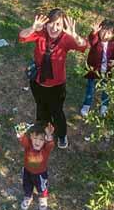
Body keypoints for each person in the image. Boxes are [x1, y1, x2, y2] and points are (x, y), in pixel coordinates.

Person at [18, 8, 88, 149]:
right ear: (46, 23)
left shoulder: (66, 38)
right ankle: (43, 133)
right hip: (37, 82)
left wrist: (75, 35)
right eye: (51, 23)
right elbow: (22, 36)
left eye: (58, 25)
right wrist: (32, 28)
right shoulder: (40, 33)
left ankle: (61, 135)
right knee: (41, 109)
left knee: (57, 112)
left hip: (57, 86)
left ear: (63, 27)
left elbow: (83, 45)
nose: (54, 28)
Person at [80, 19, 114, 118]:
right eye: (103, 31)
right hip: (93, 70)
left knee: (106, 89)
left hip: (106, 71)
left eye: (109, 33)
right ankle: (86, 105)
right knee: (90, 88)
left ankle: (104, 106)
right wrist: (93, 32)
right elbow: (91, 40)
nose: (105, 35)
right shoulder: (96, 40)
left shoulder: (113, 44)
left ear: (113, 35)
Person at [17, 121, 55, 210]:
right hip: (27, 171)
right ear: (31, 137)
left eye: (41, 139)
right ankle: (28, 197)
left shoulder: (46, 149)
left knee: (42, 187)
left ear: (45, 140)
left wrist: (49, 136)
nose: (37, 141)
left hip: (40, 173)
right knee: (27, 185)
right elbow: (22, 139)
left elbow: (50, 144)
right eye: (35, 138)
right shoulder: (28, 145)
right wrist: (20, 132)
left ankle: (42, 198)